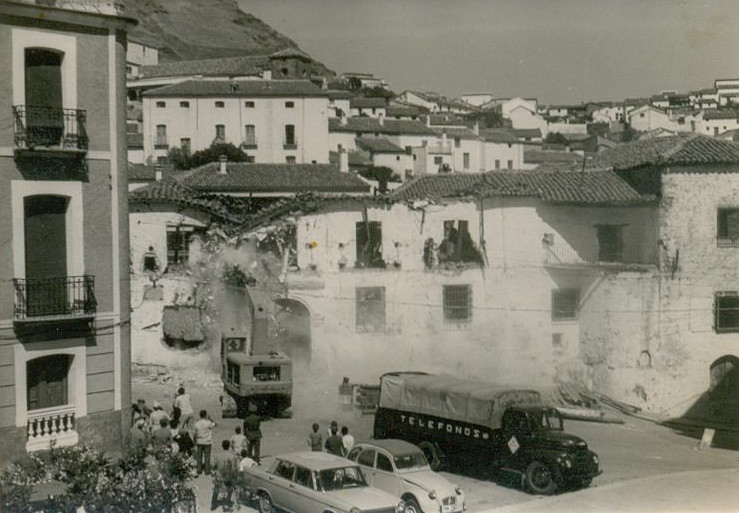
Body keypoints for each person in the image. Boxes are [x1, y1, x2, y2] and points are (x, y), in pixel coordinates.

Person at [193, 409, 217, 475]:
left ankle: (199, 470)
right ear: (206, 415)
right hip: (207, 441)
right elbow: (216, 424)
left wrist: (194, 442)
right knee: (207, 456)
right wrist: (210, 418)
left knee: (199, 457)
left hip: (199, 441)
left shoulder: (197, 423)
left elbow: (195, 434)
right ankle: (207, 470)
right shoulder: (208, 423)